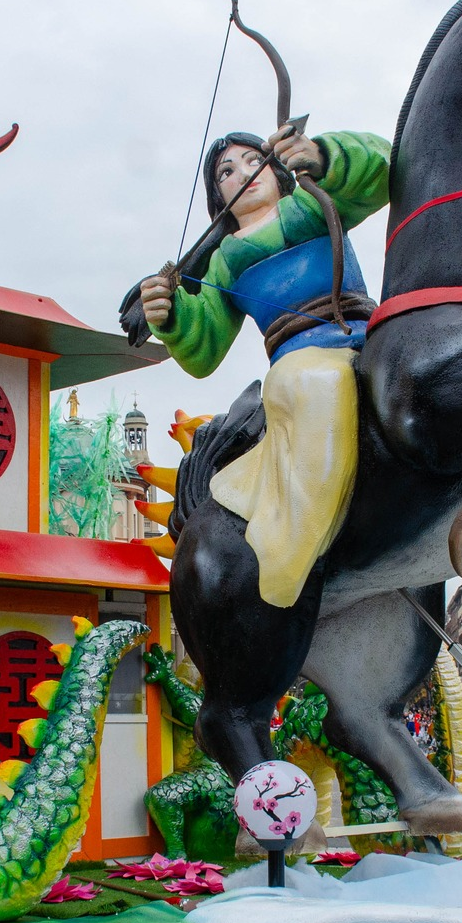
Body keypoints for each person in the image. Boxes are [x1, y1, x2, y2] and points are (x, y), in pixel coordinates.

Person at [134, 121, 391, 608]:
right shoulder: (225, 261)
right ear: (218, 197)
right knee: (321, 380)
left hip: (374, 336)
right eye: (227, 172)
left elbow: (385, 169)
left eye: (255, 161)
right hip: (298, 363)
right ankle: (285, 549)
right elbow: (204, 346)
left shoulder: (316, 202)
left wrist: (325, 155)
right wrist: (170, 316)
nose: (244, 173)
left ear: (278, 168)